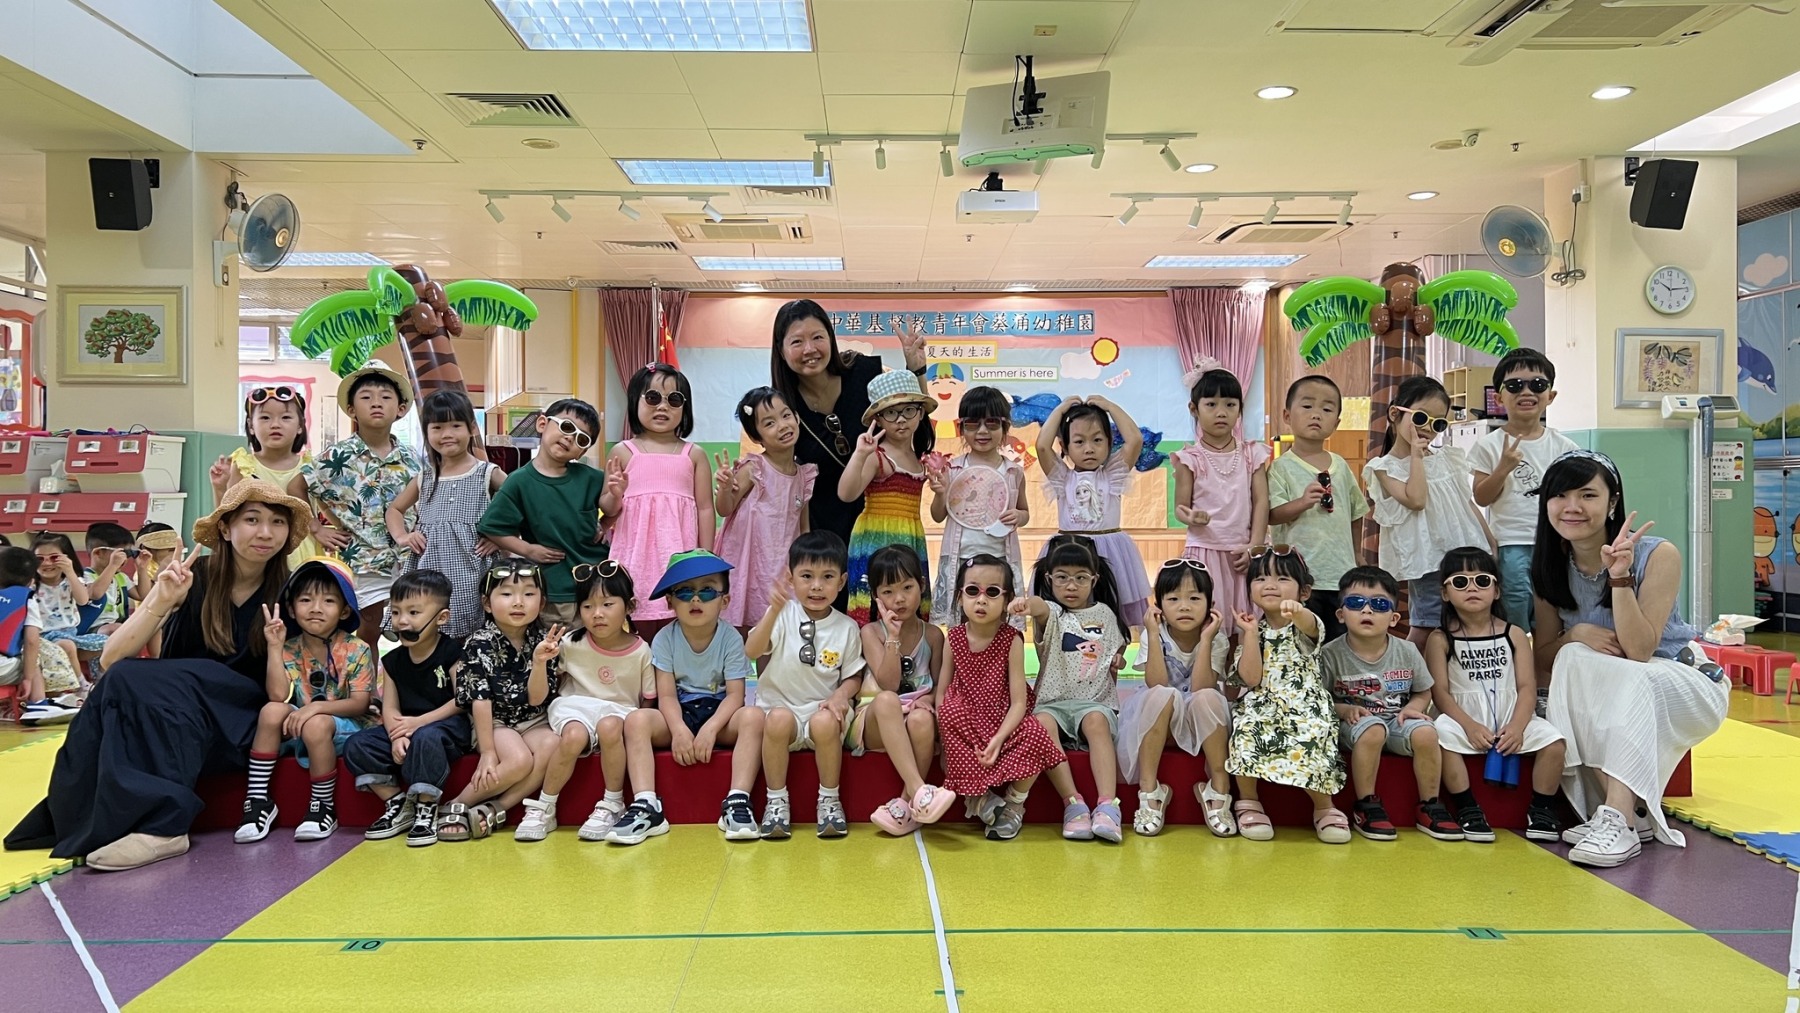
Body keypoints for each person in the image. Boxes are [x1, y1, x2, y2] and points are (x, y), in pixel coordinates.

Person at [4, 480, 311, 871]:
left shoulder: (292, 591)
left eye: (277, 522)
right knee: (121, 679)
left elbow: (285, 688)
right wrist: (162, 600)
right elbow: (112, 658)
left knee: (163, 676)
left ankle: (165, 827)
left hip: (238, 720)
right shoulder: (191, 576)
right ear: (225, 528)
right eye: (252, 520)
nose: (266, 532)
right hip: (176, 712)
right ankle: (82, 814)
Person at [1531, 450, 1729, 868]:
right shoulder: (1549, 566)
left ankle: (1619, 819)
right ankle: (1628, 816)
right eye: (1560, 495)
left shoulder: (1659, 554)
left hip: (1682, 682)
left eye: (1587, 495)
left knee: (1627, 674)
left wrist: (1619, 576)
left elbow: (1640, 652)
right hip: (1619, 690)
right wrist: (1574, 634)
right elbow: (1543, 658)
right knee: (1574, 656)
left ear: (1613, 502)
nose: (1572, 507)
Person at [769, 299, 928, 602]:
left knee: (891, 607)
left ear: (830, 338)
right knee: (837, 612)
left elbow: (916, 432)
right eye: (797, 341)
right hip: (825, 527)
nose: (809, 349)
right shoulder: (784, 406)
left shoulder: (864, 372)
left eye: (817, 337)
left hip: (883, 520)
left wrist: (916, 369)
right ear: (781, 349)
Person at [1425, 546, 1566, 844]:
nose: (1472, 588)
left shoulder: (1514, 634)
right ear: (1445, 593)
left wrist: (1517, 726)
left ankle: (1542, 810)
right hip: (1462, 718)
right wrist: (1469, 726)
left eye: (1482, 580)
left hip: (1512, 715)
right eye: (1460, 582)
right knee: (1441, 736)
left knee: (1554, 743)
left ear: (1497, 590)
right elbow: (1441, 693)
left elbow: (1526, 687)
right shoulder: (1440, 639)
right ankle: (1467, 808)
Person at [627, 551, 766, 843]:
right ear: (670, 601)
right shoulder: (665, 638)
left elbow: (735, 696)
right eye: (685, 591)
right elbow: (666, 696)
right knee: (637, 720)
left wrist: (711, 729)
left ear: (725, 600)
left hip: (720, 714)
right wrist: (679, 730)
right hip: (679, 711)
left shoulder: (731, 638)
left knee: (753, 717)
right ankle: (646, 805)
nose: (695, 599)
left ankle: (738, 800)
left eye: (707, 591)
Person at [236, 558, 374, 845]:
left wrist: (315, 708)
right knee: (271, 711)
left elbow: (360, 704)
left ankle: (322, 806)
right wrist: (275, 647)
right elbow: (278, 695)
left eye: (328, 601)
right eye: (306, 600)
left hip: (346, 726)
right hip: (302, 723)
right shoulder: (290, 647)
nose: (316, 608)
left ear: (344, 610)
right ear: (291, 609)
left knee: (316, 724)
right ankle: (258, 800)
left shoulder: (356, 648)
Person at [1322, 565, 1463, 843]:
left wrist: (1414, 708)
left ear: (1394, 617)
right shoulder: (1330, 654)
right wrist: (1344, 709)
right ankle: (1366, 805)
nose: (1367, 610)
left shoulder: (1407, 651)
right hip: (1353, 725)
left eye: (1378, 604)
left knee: (1427, 732)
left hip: (1396, 722)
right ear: (1341, 614)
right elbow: (1319, 699)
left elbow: (1423, 691)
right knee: (1373, 729)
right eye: (1356, 603)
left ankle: (1430, 805)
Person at [934, 554, 1067, 842]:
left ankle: (1014, 803)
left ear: (1007, 599)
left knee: (1038, 731)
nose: (981, 600)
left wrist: (998, 739)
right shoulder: (954, 638)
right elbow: (942, 693)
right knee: (949, 711)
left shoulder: (1012, 639)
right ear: (959, 597)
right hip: (966, 720)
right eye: (973, 591)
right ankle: (978, 798)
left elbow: (1019, 702)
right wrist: (944, 739)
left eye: (992, 592)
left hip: (1002, 718)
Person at [518, 561, 652, 843]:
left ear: (629, 606)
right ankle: (545, 806)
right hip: (575, 706)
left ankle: (613, 804)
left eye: (607, 604)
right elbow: (541, 694)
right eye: (587, 606)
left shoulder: (642, 651)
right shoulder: (570, 643)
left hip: (618, 713)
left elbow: (647, 703)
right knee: (574, 735)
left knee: (610, 726)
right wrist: (540, 663)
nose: (597, 614)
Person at [1223, 546, 1348, 844]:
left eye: (1282, 579)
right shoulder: (1253, 628)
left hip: (1306, 704)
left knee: (1314, 730)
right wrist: (1249, 634)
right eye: (1261, 578)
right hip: (1262, 703)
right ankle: (1249, 801)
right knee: (1246, 729)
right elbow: (1251, 678)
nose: (1270, 585)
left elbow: (1309, 625)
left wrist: (1298, 611)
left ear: (1304, 591)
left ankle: (1324, 806)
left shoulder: (1306, 623)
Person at [746, 531, 866, 840]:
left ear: (842, 582)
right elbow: (752, 651)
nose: (816, 586)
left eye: (827, 577)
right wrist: (773, 610)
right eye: (807, 576)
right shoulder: (782, 614)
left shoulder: (847, 627)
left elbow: (854, 676)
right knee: (777, 718)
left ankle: (829, 801)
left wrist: (840, 696)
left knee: (825, 722)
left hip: (820, 713)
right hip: (780, 713)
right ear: (791, 578)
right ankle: (776, 803)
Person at [1010, 535, 1129, 842]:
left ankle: (1107, 806)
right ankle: (1073, 803)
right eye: (1062, 578)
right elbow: (1038, 607)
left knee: (1096, 722)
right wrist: (1025, 603)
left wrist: (1118, 659)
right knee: (1041, 725)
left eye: (1080, 578)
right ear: (1049, 580)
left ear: (1094, 579)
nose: (1071, 586)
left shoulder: (1106, 614)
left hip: (1094, 701)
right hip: (1053, 703)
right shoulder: (1052, 612)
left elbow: (1114, 651)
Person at [342, 569, 473, 847]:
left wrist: (418, 723)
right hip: (406, 728)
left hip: (445, 728)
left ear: (441, 618)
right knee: (357, 744)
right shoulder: (393, 661)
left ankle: (426, 807)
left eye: (413, 613)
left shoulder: (452, 652)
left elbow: (462, 700)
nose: (402, 621)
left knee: (426, 737)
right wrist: (396, 735)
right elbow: (390, 708)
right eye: (396, 612)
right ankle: (398, 803)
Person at [436, 561, 564, 843]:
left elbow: (537, 698)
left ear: (542, 603)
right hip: (494, 722)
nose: (518, 602)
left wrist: (540, 662)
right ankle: (458, 803)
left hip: (533, 719)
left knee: (554, 745)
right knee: (518, 760)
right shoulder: (477, 642)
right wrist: (488, 752)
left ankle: (496, 808)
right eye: (506, 594)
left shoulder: (543, 640)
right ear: (487, 603)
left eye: (528, 594)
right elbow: (480, 701)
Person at [297, 363, 421, 645]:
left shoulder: (412, 457)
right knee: (369, 631)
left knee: (413, 627)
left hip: (408, 557)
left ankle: (400, 675)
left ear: (401, 409)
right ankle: (366, 676)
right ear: (352, 409)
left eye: (385, 397)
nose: (376, 403)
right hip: (364, 560)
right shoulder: (338, 455)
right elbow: (298, 486)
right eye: (366, 397)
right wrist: (316, 527)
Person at [1363, 375, 1491, 644]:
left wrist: (1491, 544)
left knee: (1463, 622)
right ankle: (1409, 670)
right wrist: (1417, 457)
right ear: (1395, 414)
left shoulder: (1446, 458)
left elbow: (1466, 503)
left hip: (1464, 556)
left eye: (1438, 423)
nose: (1428, 429)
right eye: (1421, 418)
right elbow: (1416, 499)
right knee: (1426, 624)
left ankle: (1446, 670)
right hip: (1427, 562)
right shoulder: (1384, 467)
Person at [1116, 559, 1233, 837]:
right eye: (1173, 599)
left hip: (1197, 722)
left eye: (1194, 598)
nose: (1184, 606)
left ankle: (1218, 787)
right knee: (1162, 694)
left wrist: (1207, 640)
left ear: (1210, 604)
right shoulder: (1154, 634)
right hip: (1161, 724)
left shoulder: (1216, 639)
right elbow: (1156, 683)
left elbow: (1202, 687)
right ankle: (1150, 791)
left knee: (1208, 697)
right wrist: (1152, 633)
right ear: (1159, 606)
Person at [1469, 349, 1578, 632]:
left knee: (1553, 610)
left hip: (1555, 543)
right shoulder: (1489, 445)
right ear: (1499, 397)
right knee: (1514, 607)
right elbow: (1481, 497)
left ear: (1550, 395)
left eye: (1537, 385)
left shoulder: (1564, 447)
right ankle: (1517, 657)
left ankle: (1545, 659)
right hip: (1511, 542)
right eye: (1515, 385)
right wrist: (1503, 468)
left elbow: (1574, 498)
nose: (1526, 392)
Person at [479, 397, 612, 629]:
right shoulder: (519, 482)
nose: (570, 437)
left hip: (597, 587)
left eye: (581, 438)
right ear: (542, 424)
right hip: (554, 590)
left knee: (596, 646)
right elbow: (492, 528)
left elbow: (620, 506)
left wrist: (607, 521)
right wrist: (528, 550)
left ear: (582, 451)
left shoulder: (592, 478)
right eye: (566, 427)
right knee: (557, 647)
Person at [603, 364, 713, 641]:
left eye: (674, 399)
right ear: (635, 402)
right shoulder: (622, 451)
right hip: (634, 556)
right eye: (652, 398)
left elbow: (705, 508)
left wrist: (706, 557)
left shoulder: (694, 454)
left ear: (685, 408)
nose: (662, 406)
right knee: (632, 627)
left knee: (680, 627)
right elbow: (608, 509)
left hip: (679, 555)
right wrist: (615, 493)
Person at [386, 389, 505, 638]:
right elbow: (395, 509)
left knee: (473, 636)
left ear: (472, 428)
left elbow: (522, 505)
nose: (447, 434)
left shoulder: (487, 473)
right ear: (427, 432)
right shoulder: (425, 477)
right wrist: (403, 536)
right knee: (428, 631)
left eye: (455, 425)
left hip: (474, 571)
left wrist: (501, 538)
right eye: (437, 427)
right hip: (429, 570)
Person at [853, 546, 952, 836]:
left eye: (907, 588)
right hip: (876, 719)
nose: (899, 599)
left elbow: (939, 685)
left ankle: (907, 805)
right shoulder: (871, 632)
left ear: (921, 586)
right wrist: (893, 638)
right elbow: (889, 684)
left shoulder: (933, 635)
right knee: (887, 700)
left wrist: (928, 699)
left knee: (922, 719)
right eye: (888, 591)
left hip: (914, 715)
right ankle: (920, 789)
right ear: (876, 596)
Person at [1035, 395, 1151, 628]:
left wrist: (1110, 406)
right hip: (1069, 552)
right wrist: (1061, 410)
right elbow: (1042, 446)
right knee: (1066, 613)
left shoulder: (1113, 474)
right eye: (1079, 442)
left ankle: (1112, 650)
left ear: (1109, 443)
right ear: (1064, 447)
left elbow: (1135, 439)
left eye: (1097, 440)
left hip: (1110, 554)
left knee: (1110, 614)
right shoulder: (1062, 477)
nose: (1089, 448)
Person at [1268, 375, 1369, 641]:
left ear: (1336, 423)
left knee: (1339, 640)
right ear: (1287, 415)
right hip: (1298, 577)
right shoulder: (1280, 467)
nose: (1316, 415)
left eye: (1326, 409)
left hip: (1340, 575)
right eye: (1307, 406)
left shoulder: (1341, 465)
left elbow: (1356, 511)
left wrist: (1357, 552)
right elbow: (1273, 515)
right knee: (1301, 641)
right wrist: (1302, 502)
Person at [1173, 360, 1270, 623]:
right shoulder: (1189, 458)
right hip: (1204, 550)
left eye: (1230, 405)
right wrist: (1190, 516)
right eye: (1211, 404)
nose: (1221, 412)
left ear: (1240, 409)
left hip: (1244, 550)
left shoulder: (1252, 453)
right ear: (1194, 409)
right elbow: (1180, 507)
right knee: (1208, 621)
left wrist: (1255, 546)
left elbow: (1262, 501)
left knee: (1246, 622)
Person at [715, 387, 817, 633]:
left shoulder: (803, 475)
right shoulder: (754, 468)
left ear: (797, 417)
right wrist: (725, 489)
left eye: (786, 415)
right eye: (769, 423)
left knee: (780, 629)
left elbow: (803, 528)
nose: (782, 426)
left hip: (783, 564)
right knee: (742, 622)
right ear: (756, 436)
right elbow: (725, 509)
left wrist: (805, 567)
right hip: (748, 560)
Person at [925, 385, 1028, 626]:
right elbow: (938, 515)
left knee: (999, 621)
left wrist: (1019, 516)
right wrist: (940, 494)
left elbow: (1025, 512)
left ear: (1005, 427)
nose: (982, 431)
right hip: (961, 560)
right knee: (963, 623)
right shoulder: (952, 469)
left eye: (992, 423)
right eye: (972, 424)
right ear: (961, 428)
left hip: (1000, 560)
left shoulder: (1013, 472)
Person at [839, 370, 936, 625]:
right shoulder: (877, 455)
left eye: (909, 410)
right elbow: (846, 494)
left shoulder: (919, 458)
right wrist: (860, 454)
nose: (901, 419)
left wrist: (942, 489)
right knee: (875, 606)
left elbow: (937, 512)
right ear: (878, 419)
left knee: (908, 603)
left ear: (921, 413)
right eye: (891, 413)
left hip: (911, 537)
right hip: (876, 539)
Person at [210, 384, 323, 566]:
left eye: (286, 417)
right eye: (265, 417)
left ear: (300, 425)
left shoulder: (311, 466)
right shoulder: (243, 466)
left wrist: (321, 529)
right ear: (251, 426)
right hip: (260, 554)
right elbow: (227, 517)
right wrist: (220, 488)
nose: (275, 424)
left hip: (304, 556)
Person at [2, 545, 78, 726]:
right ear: (31, 580)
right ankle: (38, 704)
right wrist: (27, 679)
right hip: (2, 668)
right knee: (32, 658)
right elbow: (31, 641)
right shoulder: (27, 599)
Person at [29, 534, 96, 676]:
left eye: (54, 558)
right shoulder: (30, 585)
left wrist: (70, 572)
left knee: (108, 643)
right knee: (67, 645)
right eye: (40, 559)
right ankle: (81, 683)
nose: (47, 563)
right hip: (42, 637)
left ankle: (99, 676)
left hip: (70, 634)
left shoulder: (72, 581)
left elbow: (83, 600)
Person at [82, 522, 139, 639]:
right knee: (115, 629)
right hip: (92, 629)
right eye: (122, 553)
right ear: (98, 553)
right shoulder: (85, 576)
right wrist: (113, 565)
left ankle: (157, 652)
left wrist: (142, 568)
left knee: (152, 625)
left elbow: (141, 595)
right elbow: (95, 594)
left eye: (129, 553)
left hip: (118, 625)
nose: (125, 558)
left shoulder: (120, 577)